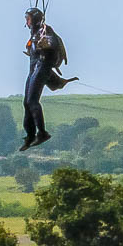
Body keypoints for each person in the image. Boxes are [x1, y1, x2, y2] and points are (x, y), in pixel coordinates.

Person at [19, 8, 78, 151]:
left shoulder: (45, 31)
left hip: (42, 68)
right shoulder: (34, 33)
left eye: (29, 19)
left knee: (32, 101)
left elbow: (51, 42)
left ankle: (42, 133)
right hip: (34, 69)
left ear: (35, 20)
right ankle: (30, 135)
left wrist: (45, 44)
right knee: (26, 103)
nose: (26, 22)